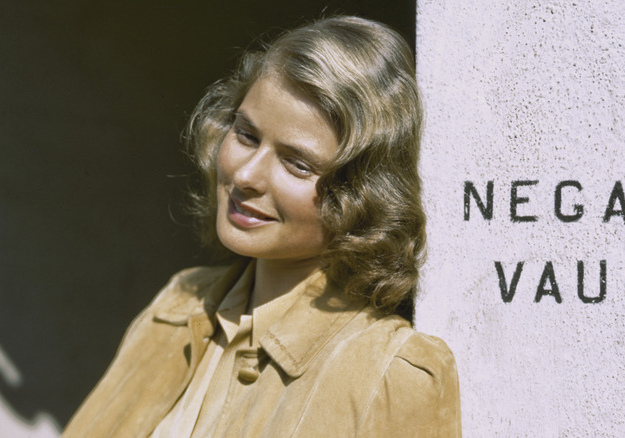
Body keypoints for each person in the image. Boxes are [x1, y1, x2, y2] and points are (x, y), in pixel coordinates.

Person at [63, 16, 461, 437]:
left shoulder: (390, 375)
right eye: (247, 135)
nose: (246, 174)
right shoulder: (176, 308)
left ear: (363, 194)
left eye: (296, 163)